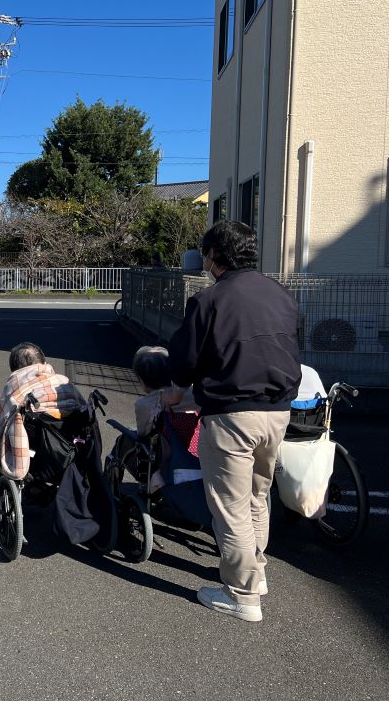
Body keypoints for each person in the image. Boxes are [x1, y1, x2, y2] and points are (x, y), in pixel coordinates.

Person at [163, 220, 301, 622]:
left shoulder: (210, 301)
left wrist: (176, 390)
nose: (205, 261)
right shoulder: (280, 294)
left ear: (215, 256)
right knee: (259, 496)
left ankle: (242, 596)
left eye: (206, 254)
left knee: (231, 506)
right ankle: (255, 576)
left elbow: (184, 361)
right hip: (277, 411)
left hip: (231, 414)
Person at [0, 342, 78, 480]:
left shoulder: (13, 387)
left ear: (14, 368)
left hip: (30, 457)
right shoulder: (64, 382)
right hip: (68, 453)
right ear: (44, 362)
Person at [132, 345, 198, 494]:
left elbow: (143, 432)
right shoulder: (192, 395)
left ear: (142, 381)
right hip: (195, 450)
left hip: (165, 455)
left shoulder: (144, 404)